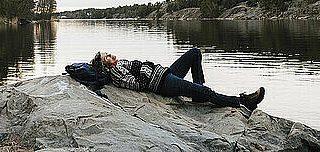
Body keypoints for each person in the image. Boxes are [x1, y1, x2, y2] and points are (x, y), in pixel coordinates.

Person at [90, 48, 264, 112]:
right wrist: (146, 66)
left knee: (195, 52)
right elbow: (138, 85)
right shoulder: (116, 73)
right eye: (107, 57)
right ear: (105, 66)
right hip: (163, 84)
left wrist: (148, 65)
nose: (110, 55)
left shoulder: (119, 63)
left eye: (107, 53)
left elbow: (141, 73)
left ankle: (197, 92)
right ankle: (243, 102)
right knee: (207, 93)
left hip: (166, 74)